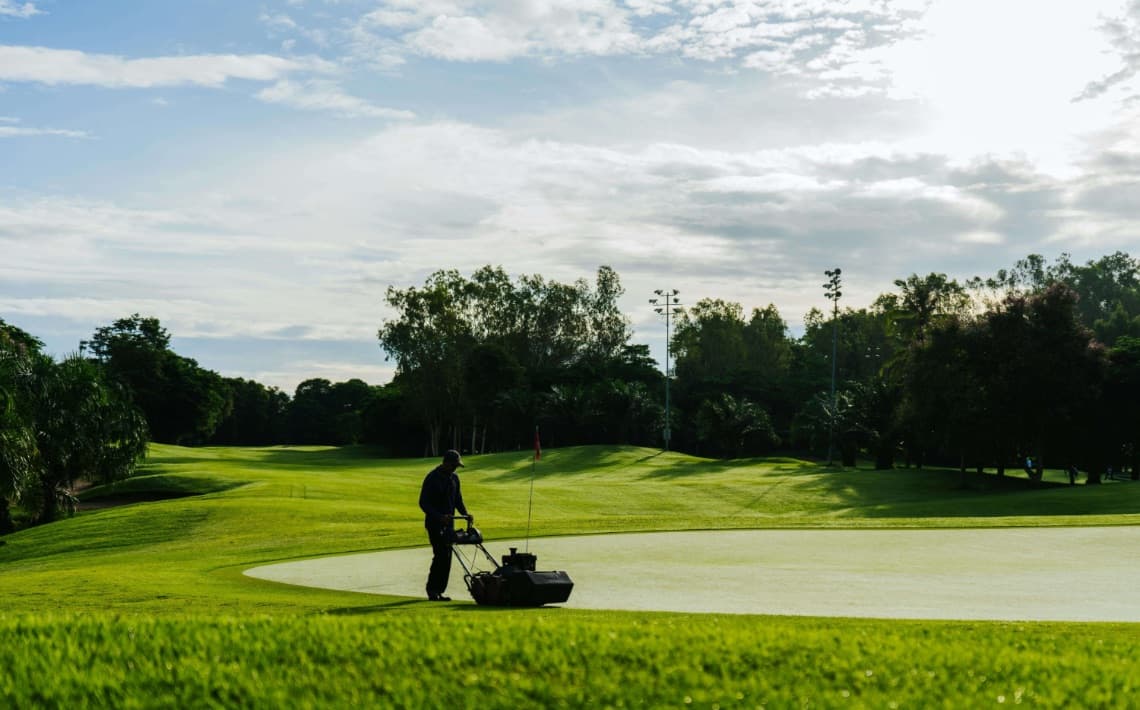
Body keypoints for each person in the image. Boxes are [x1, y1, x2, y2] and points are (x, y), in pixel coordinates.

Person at [418, 449, 472, 602]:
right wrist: (439, 517)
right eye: (453, 465)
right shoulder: (432, 478)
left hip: (449, 525)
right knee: (440, 555)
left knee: (447, 557)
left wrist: (465, 514)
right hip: (434, 524)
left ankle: (440, 591)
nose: (455, 468)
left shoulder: (455, 478)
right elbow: (423, 503)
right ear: (446, 463)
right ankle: (432, 589)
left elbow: (458, 500)